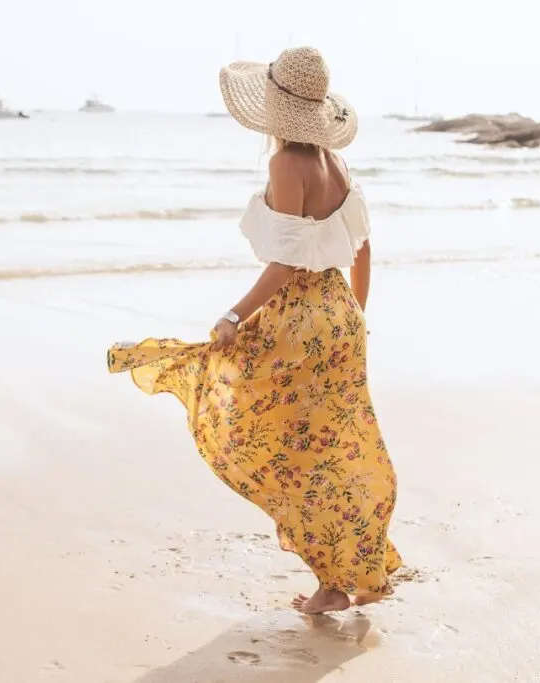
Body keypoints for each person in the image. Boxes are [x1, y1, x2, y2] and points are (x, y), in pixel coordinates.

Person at [107, 46, 401, 614]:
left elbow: (288, 262)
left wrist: (235, 315)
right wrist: (354, 319)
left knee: (273, 443)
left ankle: (334, 583)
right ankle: (354, 571)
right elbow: (362, 248)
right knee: (331, 445)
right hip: (338, 316)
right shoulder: (335, 163)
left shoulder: (285, 166)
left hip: (297, 317)